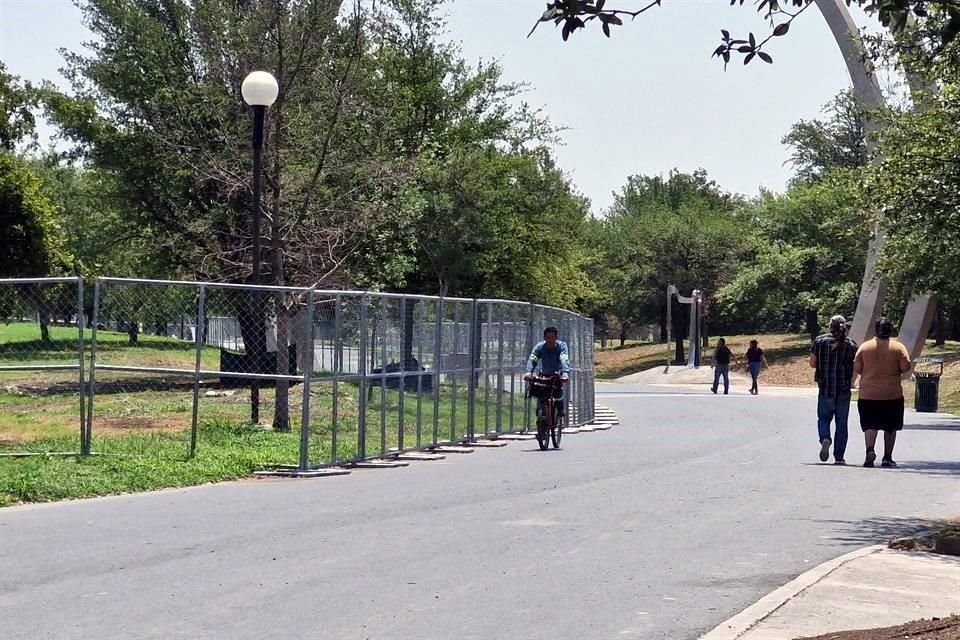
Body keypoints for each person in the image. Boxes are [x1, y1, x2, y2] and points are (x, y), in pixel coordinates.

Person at [854, 317, 912, 468]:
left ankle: (870, 450)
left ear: (875, 330)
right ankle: (887, 457)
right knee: (891, 426)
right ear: (890, 330)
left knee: (870, 425)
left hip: (868, 394)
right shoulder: (899, 348)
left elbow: (857, 368)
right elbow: (905, 367)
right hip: (891, 394)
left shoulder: (864, 347)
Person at [809, 315, 858, 465]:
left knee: (823, 418)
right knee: (841, 422)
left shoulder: (819, 341)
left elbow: (812, 363)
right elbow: (855, 366)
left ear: (830, 326)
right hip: (843, 389)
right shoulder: (851, 344)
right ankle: (839, 456)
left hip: (825, 388)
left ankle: (825, 438)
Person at [523, 326, 570, 416]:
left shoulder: (562, 346)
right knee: (540, 394)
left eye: (552, 337)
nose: (550, 340)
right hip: (544, 374)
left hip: (557, 375)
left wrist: (565, 373)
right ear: (544, 338)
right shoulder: (540, 347)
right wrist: (529, 372)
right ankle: (540, 415)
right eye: (548, 338)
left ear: (556, 338)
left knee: (558, 394)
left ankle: (559, 412)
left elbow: (564, 359)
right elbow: (533, 359)